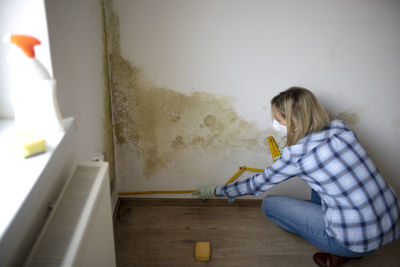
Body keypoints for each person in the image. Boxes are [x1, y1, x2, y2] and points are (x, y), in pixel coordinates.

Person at [194, 87, 400, 267]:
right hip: (390, 223)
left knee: (269, 205)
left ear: (293, 122)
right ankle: (336, 233)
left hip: (354, 241)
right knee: (322, 181)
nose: (274, 123)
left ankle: (341, 252)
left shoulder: (297, 156)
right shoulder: (340, 128)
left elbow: (255, 185)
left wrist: (216, 191)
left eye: (278, 119)